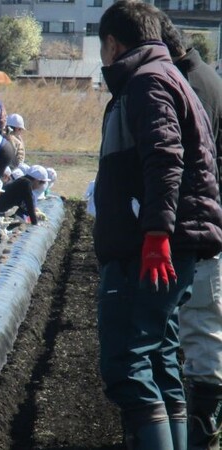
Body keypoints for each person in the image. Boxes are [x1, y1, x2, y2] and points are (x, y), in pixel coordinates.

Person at [94, 2, 222, 449]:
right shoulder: (170, 77)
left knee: (128, 362)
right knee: (161, 358)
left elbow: (166, 159)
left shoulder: (147, 83)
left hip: (146, 249)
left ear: (113, 43)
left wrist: (155, 236)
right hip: (165, 244)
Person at [160, 13, 222, 450]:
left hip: (202, 226)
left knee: (201, 319)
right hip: (207, 221)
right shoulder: (203, 79)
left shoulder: (191, 87)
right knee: (200, 318)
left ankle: (204, 422)